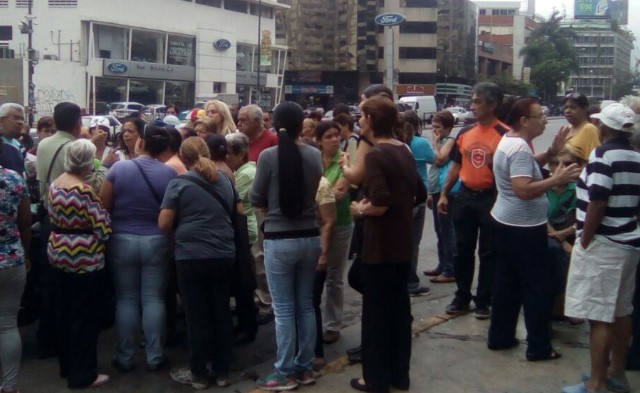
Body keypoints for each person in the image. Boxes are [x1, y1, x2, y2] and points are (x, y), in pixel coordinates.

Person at [487, 97, 581, 361]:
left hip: (508, 223)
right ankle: (539, 346)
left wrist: (551, 153)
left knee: (507, 283)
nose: (545, 120)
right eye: (540, 115)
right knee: (536, 287)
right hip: (523, 229)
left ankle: (501, 336)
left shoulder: (512, 140)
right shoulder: (518, 148)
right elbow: (523, 189)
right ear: (524, 121)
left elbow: (525, 169)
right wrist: (557, 179)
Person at [348, 95, 426, 393]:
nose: (358, 119)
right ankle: (399, 376)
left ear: (370, 119)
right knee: (397, 310)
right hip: (401, 245)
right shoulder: (404, 149)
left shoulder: (376, 154)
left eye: (362, 115)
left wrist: (360, 209)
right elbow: (419, 193)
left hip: (379, 247)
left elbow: (379, 202)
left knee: (376, 315)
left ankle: (376, 379)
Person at [562, 103, 640, 393]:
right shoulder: (636, 156)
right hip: (629, 242)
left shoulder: (602, 156)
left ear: (604, 128)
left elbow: (598, 200)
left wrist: (584, 239)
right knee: (622, 312)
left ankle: (596, 383)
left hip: (603, 244)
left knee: (599, 316)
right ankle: (617, 373)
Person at [251, 102, 323, 391]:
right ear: (299, 125)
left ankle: (284, 372)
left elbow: (256, 196)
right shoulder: (315, 155)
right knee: (305, 304)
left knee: (283, 309)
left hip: (280, 240)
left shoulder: (268, 157)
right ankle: (304, 368)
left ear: (275, 124)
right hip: (310, 236)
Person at [159, 137, 240, 390]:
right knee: (221, 313)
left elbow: (163, 223)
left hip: (190, 255)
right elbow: (238, 212)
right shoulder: (226, 180)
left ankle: (198, 372)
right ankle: (223, 370)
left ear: (184, 158)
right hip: (224, 253)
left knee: (197, 316)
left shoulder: (178, 184)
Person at [100, 125, 176, 373]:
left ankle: (124, 356)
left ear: (140, 143)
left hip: (122, 239)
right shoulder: (169, 174)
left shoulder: (119, 168)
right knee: (154, 298)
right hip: (157, 240)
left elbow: (104, 205)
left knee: (126, 299)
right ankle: (155, 355)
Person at [437, 82, 507, 320]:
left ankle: (484, 300)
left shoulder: (504, 135)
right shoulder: (465, 132)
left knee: (488, 252)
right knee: (462, 249)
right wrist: (445, 193)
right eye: (473, 101)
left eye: (478, 101)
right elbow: (456, 165)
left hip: (491, 198)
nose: (473, 106)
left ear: (493, 105)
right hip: (465, 197)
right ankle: (462, 295)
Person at [47, 139, 112, 389]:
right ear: (88, 161)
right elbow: (102, 226)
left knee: (65, 311)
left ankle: (67, 365)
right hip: (84, 257)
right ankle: (83, 373)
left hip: (58, 251)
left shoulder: (56, 184)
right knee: (85, 317)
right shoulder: (83, 190)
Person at [35, 102, 82, 360]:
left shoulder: (43, 144)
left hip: (46, 218)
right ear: (77, 123)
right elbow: (81, 179)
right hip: (68, 222)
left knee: (48, 281)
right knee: (69, 284)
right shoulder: (73, 147)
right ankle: (65, 340)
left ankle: (46, 338)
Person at [313, 121, 353, 347]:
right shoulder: (313, 160)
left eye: (337, 135)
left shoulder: (346, 160)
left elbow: (339, 192)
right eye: (328, 136)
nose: (335, 139)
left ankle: (332, 325)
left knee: (334, 276)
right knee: (315, 275)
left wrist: (319, 192)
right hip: (315, 224)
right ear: (319, 140)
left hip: (340, 223)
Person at [225, 132, 259, 344]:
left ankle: (248, 325)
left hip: (244, 227)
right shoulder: (241, 170)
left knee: (243, 280)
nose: (226, 157)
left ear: (240, 154)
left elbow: (233, 197)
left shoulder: (245, 173)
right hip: (243, 226)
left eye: (229, 153)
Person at [0, 161, 31, 393]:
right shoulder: (14, 179)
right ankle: (10, 387)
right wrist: (26, 251)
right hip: (11, 258)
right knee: (8, 325)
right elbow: (25, 221)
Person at [399, 110, 434, 296]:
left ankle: (404, 279)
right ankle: (411, 282)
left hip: (405, 197)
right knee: (413, 242)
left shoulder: (394, 146)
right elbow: (436, 159)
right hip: (418, 195)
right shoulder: (419, 144)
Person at [424, 110, 457, 283]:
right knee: (439, 229)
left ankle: (450, 268)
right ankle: (442, 263)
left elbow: (439, 160)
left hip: (446, 192)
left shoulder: (450, 141)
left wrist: (435, 144)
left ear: (448, 128)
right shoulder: (441, 140)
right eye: (433, 126)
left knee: (447, 230)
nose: (434, 130)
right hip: (436, 190)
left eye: (438, 127)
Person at [563, 93, 600, 161]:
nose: (567, 111)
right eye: (566, 107)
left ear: (585, 109)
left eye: (573, 107)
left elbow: (593, 160)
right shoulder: (569, 129)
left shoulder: (589, 129)